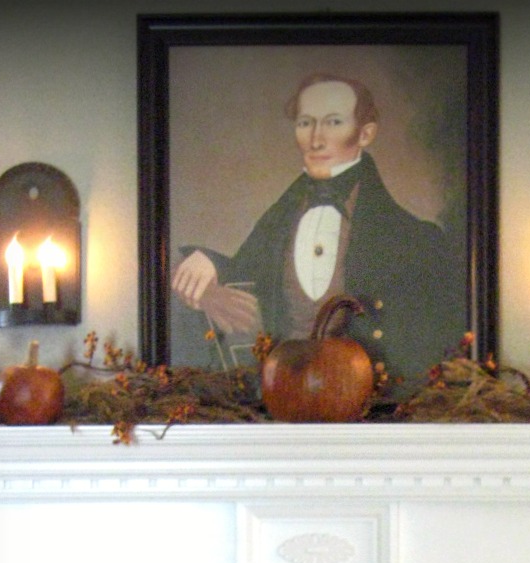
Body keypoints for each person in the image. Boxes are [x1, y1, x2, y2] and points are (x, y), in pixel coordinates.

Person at [171, 73, 465, 386]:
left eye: (334, 122)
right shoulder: (278, 223)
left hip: (367, 405)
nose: (315, 139)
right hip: (283, 395)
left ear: (364, 134)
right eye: (305, 123)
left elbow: (427, 347)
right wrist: (210, 262)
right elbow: (251, 275)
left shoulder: (418, 242)